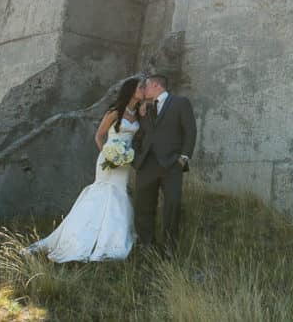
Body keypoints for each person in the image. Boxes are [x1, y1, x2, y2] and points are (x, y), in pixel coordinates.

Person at [28, 77, 141, 262]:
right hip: (109, 160)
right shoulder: (114, 112)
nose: (143, 90)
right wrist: (108, 155)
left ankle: (113, 239)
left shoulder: (138, 113)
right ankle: (84, 238)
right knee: (103, 193)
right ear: (131, 91)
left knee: (120, 193)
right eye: (140, 88)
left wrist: (123, 157)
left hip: (125, 161)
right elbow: (99, 136)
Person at [133, 74, 197, 251]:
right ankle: (146, 246)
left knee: (172, 206)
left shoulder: (180, 103)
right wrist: (136, 157)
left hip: (172, 164)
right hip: (146, 164)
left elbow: (190, 131)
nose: (143, 90)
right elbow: (139, 134)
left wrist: (184, 158)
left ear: (155, 85)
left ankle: (170, 248)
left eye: (145, 86)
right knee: (143, 206)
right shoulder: (143, 108)